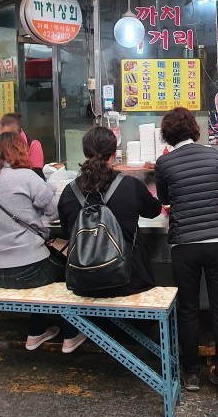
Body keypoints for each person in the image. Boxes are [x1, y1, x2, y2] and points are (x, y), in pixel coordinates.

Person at [0, 132, 83, 353]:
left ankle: (36, 332)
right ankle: (71, 334)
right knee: (69, 270)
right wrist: (37, 218)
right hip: (31, 270)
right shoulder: (27, 176)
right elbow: (53, 208)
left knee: (38, 273)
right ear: (20, 151)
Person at [155, 108, 218, 397]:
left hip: (185, 243)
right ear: (193, 129)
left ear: (167, 134)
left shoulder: (164, 163)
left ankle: (191, 374)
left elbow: (165, 199)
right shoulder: (213, 156)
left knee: (188, 310)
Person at [58, 126, 161, 297]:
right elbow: (154, 211)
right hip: (129, 279)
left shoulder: (69, 191)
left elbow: (66, 230)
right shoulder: (131, 185)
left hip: (83, 282)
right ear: (114, 153)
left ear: (85, 154)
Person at [0, 113, 45, 178]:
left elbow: (37, 176)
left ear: (19, 132)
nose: (3, 139)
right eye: (0, 133)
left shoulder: (33, 145)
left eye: (8, 135)